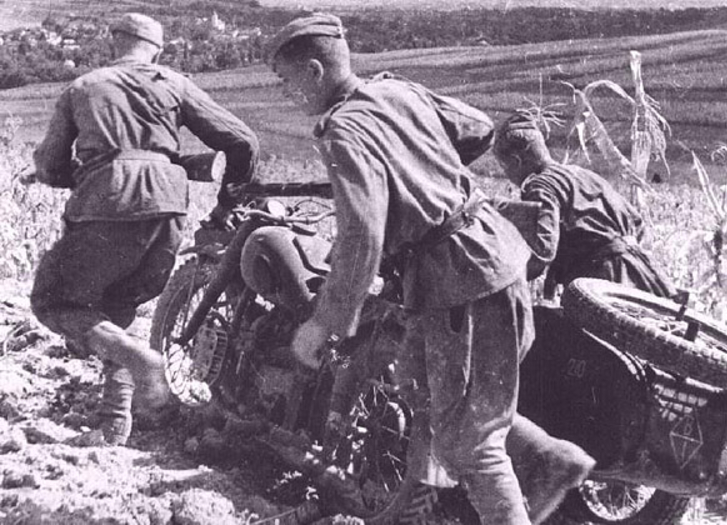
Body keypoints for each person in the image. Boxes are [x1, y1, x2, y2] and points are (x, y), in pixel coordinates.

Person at [267, 13, 594, 524]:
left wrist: (325, 322)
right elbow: (478, 128)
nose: (284, 94)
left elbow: (362, 237)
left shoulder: (343, 131)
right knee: (418, 380)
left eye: (286, 81)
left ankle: (544, 467)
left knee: (470, 445)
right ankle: (547, 457)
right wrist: (424, 163)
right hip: (489, 255)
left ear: (314, 71)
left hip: (459, 279)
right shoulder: (397, 91)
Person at [28, 12, 260, 446]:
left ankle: (142, 360)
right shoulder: (173, 83)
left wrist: (81, 172)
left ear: (115, 41)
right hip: (169, 206)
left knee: (53, 300)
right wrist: (227, 205)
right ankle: (115, 420)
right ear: (157, 50)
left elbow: (50, 165)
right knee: (117, 305)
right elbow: (242, 142)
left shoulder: (84, 86)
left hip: (108, 203)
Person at [493, 109, 675, 299]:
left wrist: (502, 278)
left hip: (601, 283)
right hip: (642, 274)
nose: (508, 175)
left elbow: (543, 251)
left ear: (516, 161)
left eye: (505, 168)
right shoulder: (583, 174)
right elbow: (638, 224)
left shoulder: (541, 185)